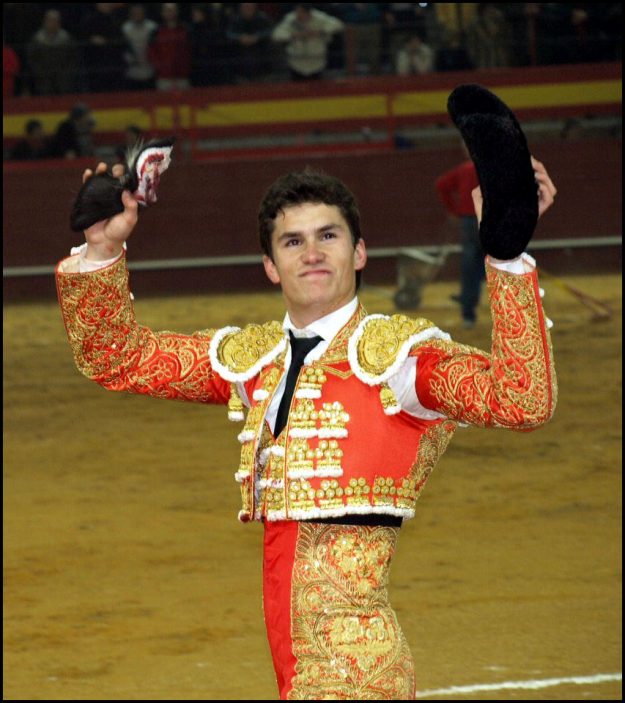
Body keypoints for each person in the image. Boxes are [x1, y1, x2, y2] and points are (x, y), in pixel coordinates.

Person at [55, 144, 557, 697]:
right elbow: (117, 357)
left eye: (328, 235)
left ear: (359, 252)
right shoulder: (253, 362)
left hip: (358, 674)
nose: (312, 253)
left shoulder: (400, 361)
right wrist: (102, 248)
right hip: (300, 669)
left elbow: (521, 398)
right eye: (293, 241)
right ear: (271, 266)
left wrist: (507, 258)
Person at [435, 149, 483, 327]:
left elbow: (441, 185)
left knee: (470, 263)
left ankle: (468, 313)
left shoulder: (465, 170)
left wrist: (453, 211)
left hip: (469, 221)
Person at [272, 4, 344, 80]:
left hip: (317, 60)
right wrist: (294, 36)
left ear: (308, 12)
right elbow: (276, 35)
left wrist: (319, 32)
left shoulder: (319, 17)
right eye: (297, 12)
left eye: (301, 12)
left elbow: (338, 25)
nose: (298, 15)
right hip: (296, 62)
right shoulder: (290, 19)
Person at [26, 9, 79, 96]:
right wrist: (40, 73)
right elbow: (32, 59)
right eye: (49, 20)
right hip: (43, 79)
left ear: (59, 23)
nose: (52, 23)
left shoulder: (67, 39)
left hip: (63, 79)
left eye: (55, 21)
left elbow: (73, 58)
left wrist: (66, 73)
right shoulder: (37, 39)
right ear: (44, 22)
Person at [148, 3, 191, 91]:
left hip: (182, 77)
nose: (170, 12)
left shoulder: (186, 30)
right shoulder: (156, 32)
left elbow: (189, 51)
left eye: (172, 10)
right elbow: (151, 53)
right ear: (162, 13)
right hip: (164, 78)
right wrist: (160, 68)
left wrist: (186, 68)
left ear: (177, 11)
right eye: (167, 10)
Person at [227, 2, 273, 83]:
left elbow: (270, 31)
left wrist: (257, 37)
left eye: (250, 6)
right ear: (241, 8)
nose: (248, 9)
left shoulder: (263, 18)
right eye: (245, 6)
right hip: (241, 60)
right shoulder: (235, 19)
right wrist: (240, 37)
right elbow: (229, 33)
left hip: (261, 58)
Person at [121, 3, 158, 91]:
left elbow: (157, 48)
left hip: (150, 71)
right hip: (131, 72)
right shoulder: (125, 28)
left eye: (139, 13)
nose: (137, 15)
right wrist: (131, 59)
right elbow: (122, 49)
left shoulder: (152, 27)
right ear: (130, 14)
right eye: (134, 13)